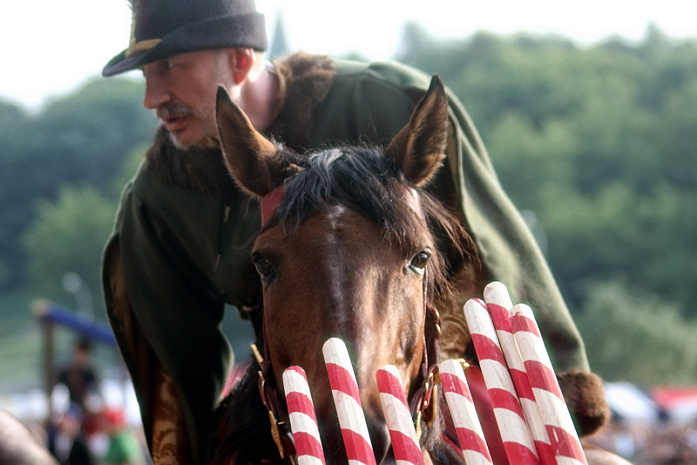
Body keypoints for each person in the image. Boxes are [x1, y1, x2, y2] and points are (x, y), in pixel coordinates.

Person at [101, 0, 609, 463]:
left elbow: (492, 248)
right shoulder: (158, 200)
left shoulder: (390, 103)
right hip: (282, 406)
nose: (152, 97)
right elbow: (174, 362)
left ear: (239, 61)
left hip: (434, 374)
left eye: (169, 67)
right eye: (146, 73)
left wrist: (553, 395)